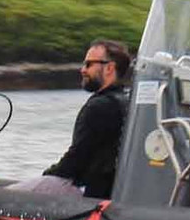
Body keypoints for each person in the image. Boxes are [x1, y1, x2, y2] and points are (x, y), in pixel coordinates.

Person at [12, 39, 130, 199]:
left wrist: (48, 175)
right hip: (108, 190)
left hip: (86, 191)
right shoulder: (125, 102)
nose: (83, 70)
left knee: (5, 197)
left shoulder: (99, 106)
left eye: (89, 64)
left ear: (109, 68)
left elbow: (76, 159)